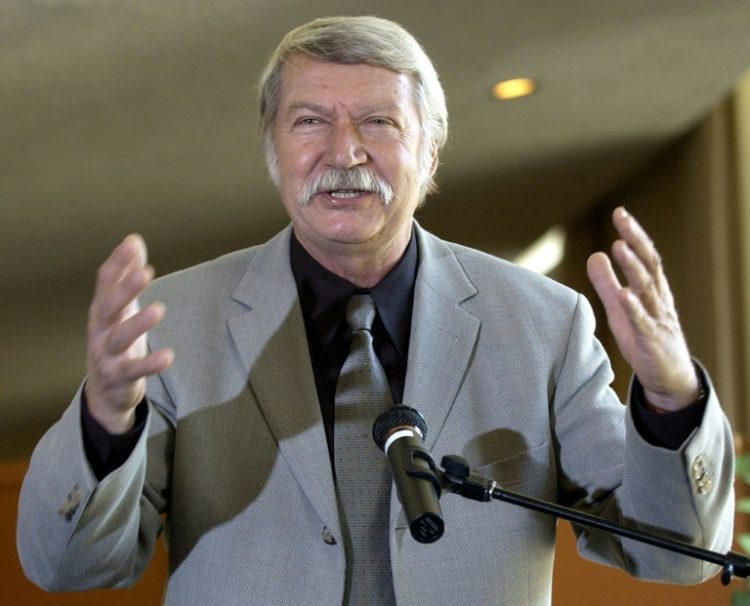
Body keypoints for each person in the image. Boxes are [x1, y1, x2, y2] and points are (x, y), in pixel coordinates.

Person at [17, 15, 734, 606]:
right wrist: (104, 422)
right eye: (308, 122)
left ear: (430, 154)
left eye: (379, 121)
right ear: (272, 150)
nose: (344, 150)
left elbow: (673, 555)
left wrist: (672, 397)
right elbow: (70, 568)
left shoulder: (545, 324)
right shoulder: (174, 323)